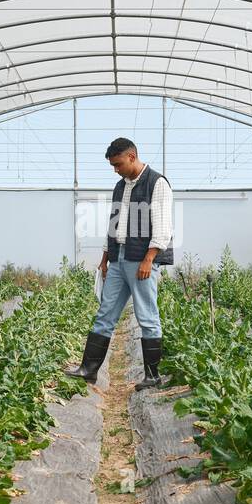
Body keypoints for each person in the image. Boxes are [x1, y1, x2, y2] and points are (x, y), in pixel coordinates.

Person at [65, 137, 173, 389]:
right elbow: (114, 226)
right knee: (105, 313)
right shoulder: (120, 186)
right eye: (112, 165)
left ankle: (152, 376)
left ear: (132, 157)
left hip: (141, 261)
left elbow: (163, 227)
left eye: (118, 164)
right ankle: (88, 370)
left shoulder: (157, 183)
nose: (115, 169)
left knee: (146, 315)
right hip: (118, 258)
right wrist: (105, 260)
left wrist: (149, 259)